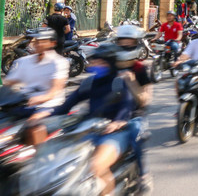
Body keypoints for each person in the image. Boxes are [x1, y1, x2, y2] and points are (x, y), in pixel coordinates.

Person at [27, 44, 136, 196]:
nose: (96, 65)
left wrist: (117, 122)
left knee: (96, 166)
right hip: (89, 129)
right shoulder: (89, 83)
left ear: (110, 64)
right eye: (95, 62)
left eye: (101, 62)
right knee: (64, 164)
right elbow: (65, 107)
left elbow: (127, 106)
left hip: (115, 133)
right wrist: (43, 113)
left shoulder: (118, 83)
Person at [115, 25, 153, 192]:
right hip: (108, 114)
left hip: (134, 115)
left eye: (129, 41)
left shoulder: (140, 68)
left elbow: (145, 100)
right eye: (122, 41)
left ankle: (143, 174)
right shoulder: (111, 64)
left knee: (136, 133)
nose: (125, 44)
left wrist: (131, 82)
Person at [4, 27, 68, 115]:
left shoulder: (59, 62)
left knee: (33, 125)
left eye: (43, 41)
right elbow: (9, 82)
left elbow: (55, 91)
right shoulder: (23, 61)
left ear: (52, 43)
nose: (38, 44)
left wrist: (41, 98)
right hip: (25, 103)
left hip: (49, 106)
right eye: (36, 41)